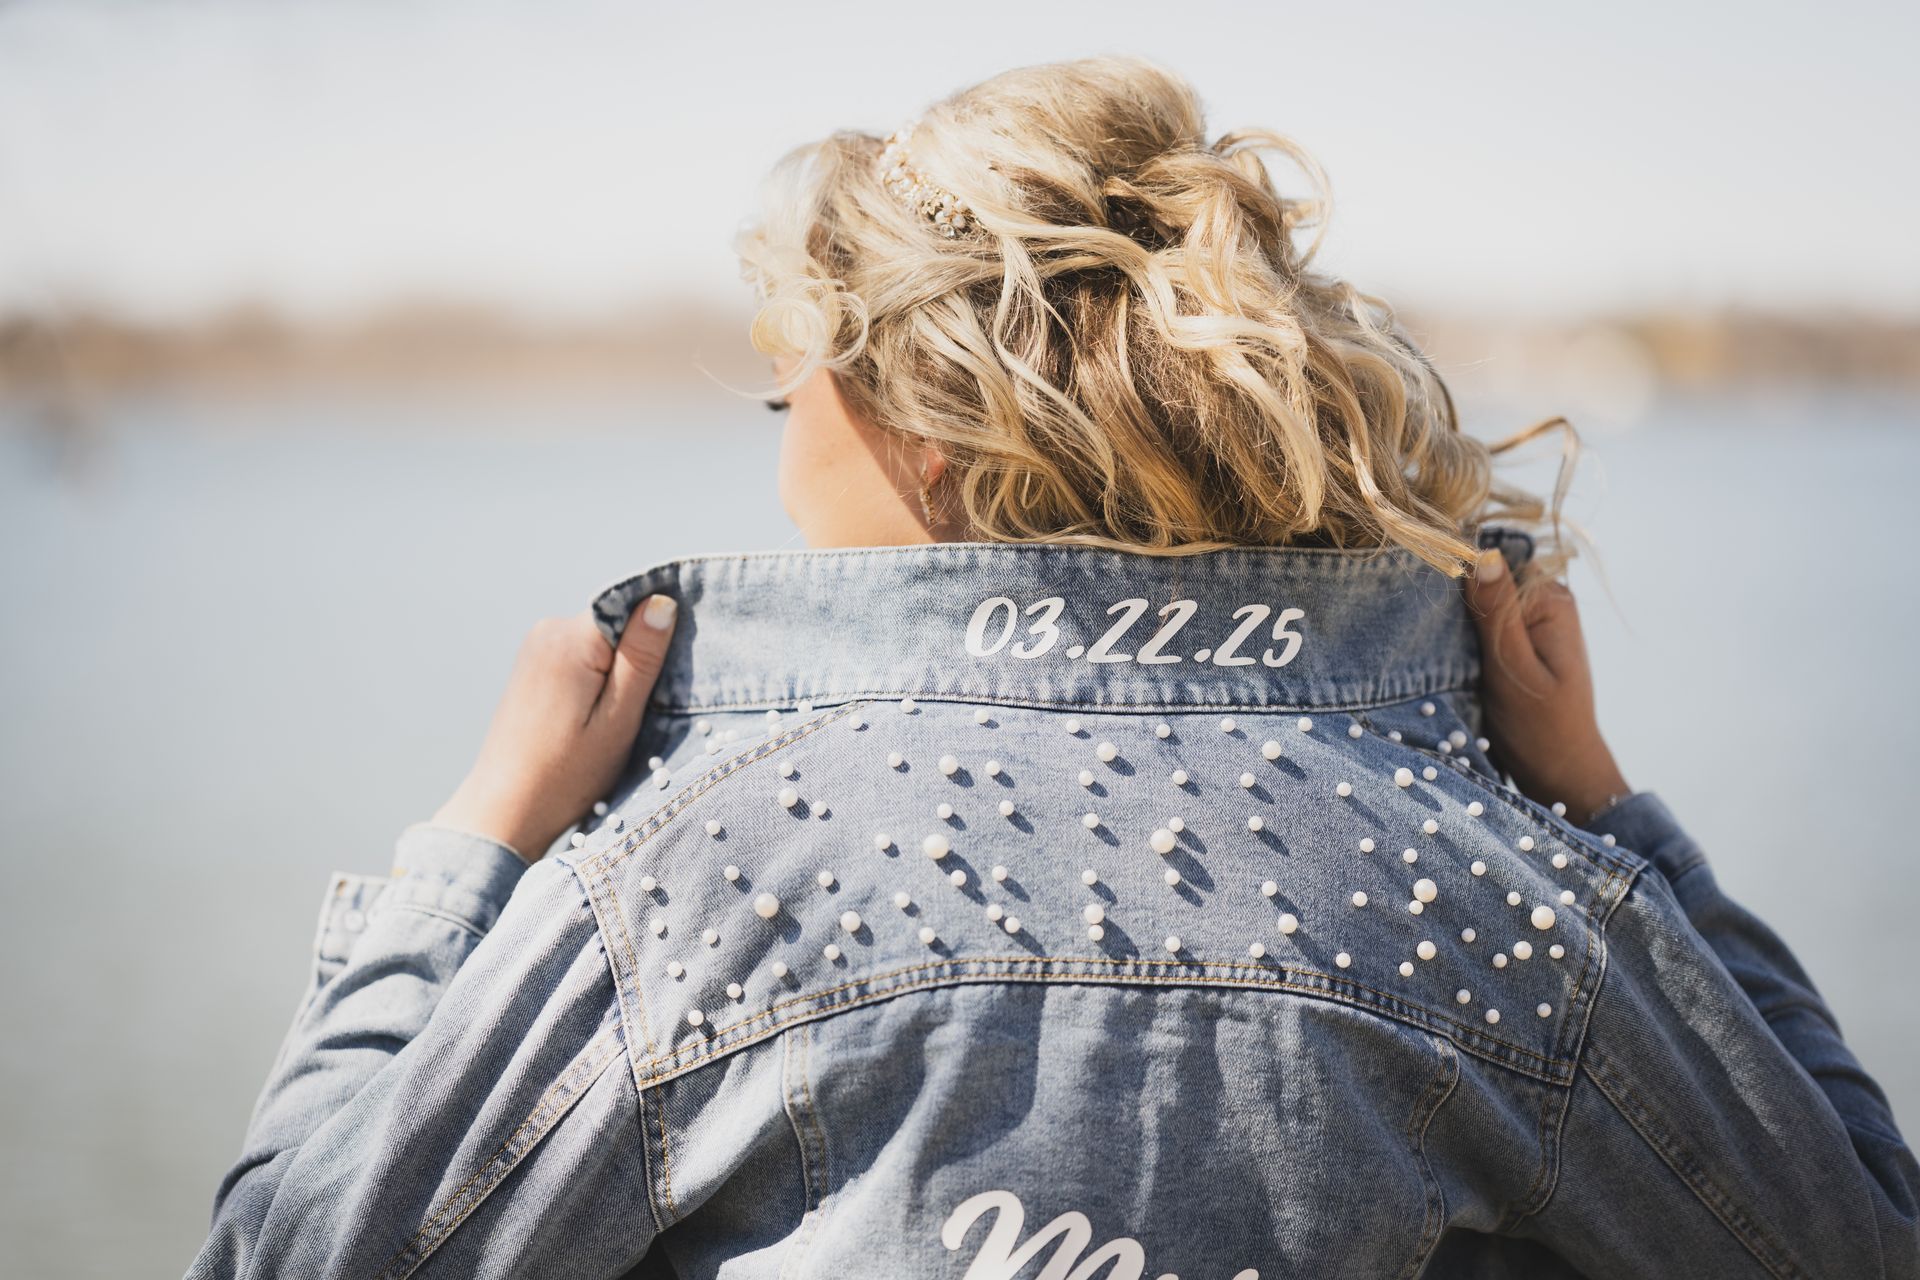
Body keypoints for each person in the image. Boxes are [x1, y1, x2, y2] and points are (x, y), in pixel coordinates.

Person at [189, 55, 1918, 1279]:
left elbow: (290, 1257)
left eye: (797, 387)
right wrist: (1608, 813)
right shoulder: (1500, 890)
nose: (784, 435)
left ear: (927, 425)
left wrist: (477, 840)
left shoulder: (698, 872)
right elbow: (1856, 1233)